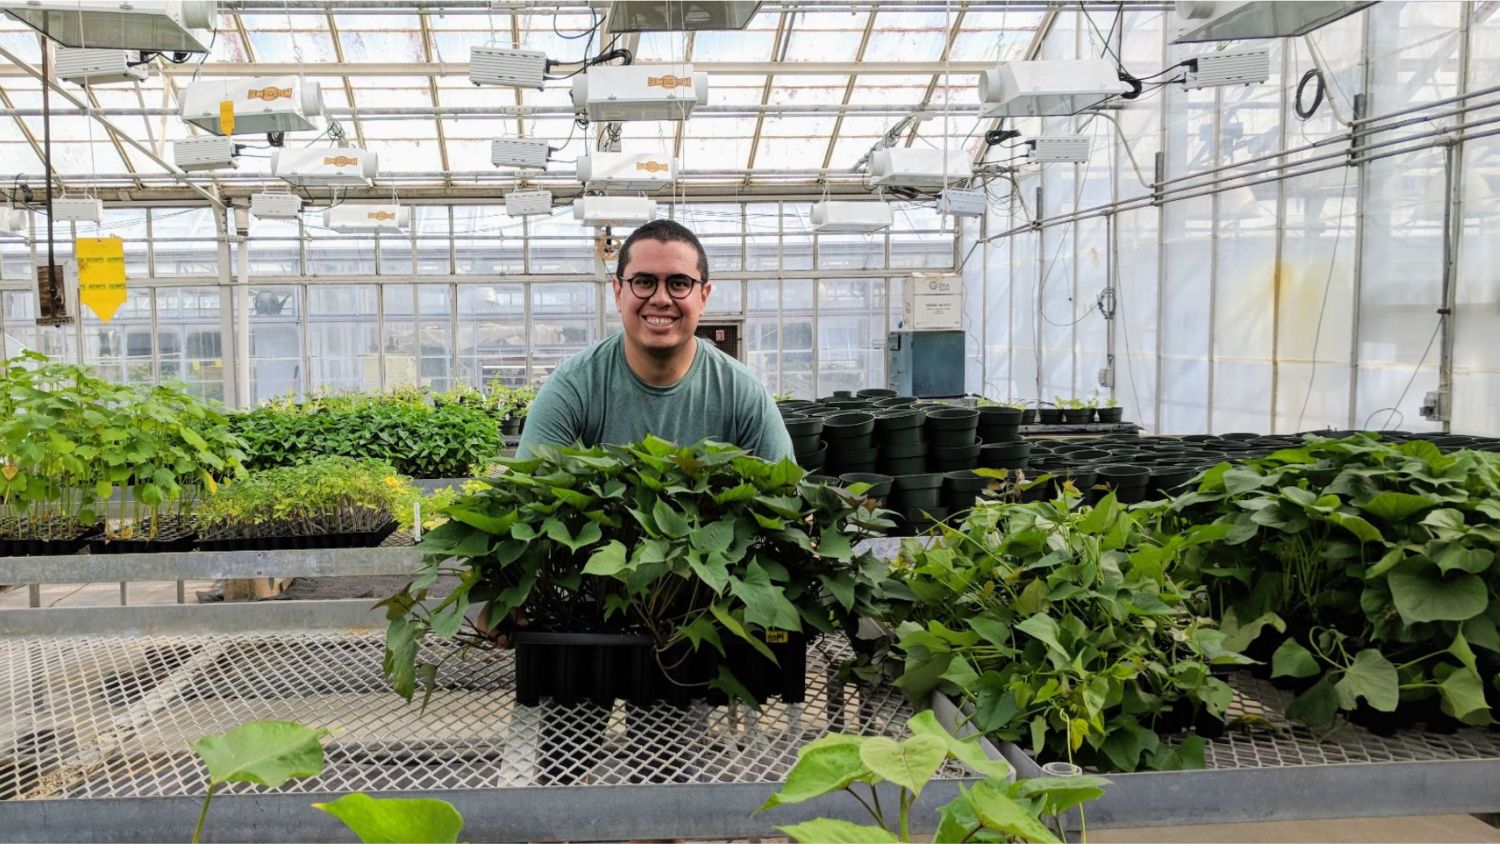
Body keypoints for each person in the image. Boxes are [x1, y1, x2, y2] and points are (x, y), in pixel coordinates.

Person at [518, 218, 793, 462]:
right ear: (618, 292)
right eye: (644, 282)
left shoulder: (742, 395)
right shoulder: (573, 390)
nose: (661, 299)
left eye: (679, 283)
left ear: (703, 297)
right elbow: (528, 499)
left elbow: (787, 502)